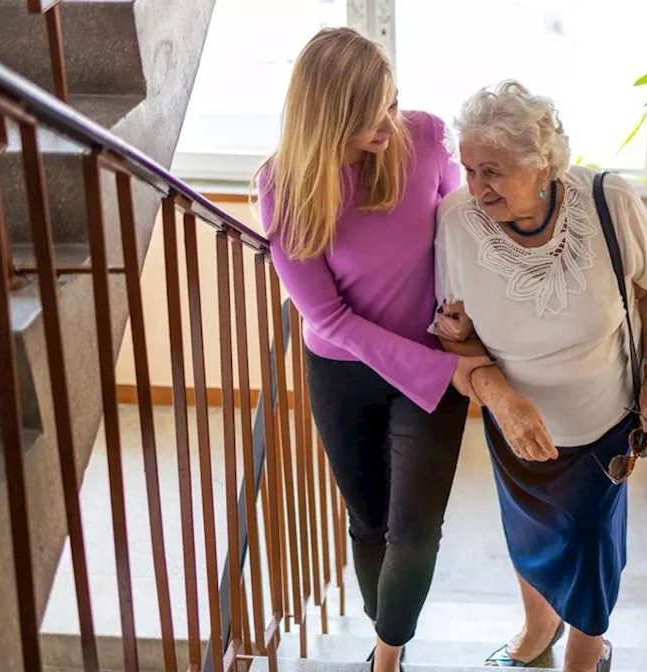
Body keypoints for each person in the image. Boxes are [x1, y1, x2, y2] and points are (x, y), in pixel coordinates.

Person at [255, 27, 491, 672]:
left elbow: (460, 233)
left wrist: (461, 320)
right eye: (370, 115)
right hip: (346, 371)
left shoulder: (426, 136)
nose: (390, 123)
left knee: (415, 530)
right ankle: (386, 631)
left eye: (392, 102)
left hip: (434, 363)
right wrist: (443, 369)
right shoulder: (284, 186)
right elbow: (328, 317)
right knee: (368, 522)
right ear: (328, 116)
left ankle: (386, 655)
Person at [431, 81, 647, 672]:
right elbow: (455, 333)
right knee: (531, 538)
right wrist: (496, 393)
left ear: (541, 163)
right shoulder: (456, 221)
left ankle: (584, 657)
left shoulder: (608, 201)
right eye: (467, 169)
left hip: (604, 429)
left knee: (592, 550)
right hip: (516, 428)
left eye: (492, 170)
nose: (475, 187)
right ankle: (538, 628)